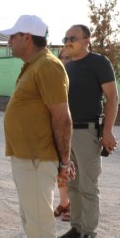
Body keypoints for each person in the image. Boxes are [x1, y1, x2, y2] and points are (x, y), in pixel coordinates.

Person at [0, 15, 75, 238]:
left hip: (37, 160)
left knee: (41, 226)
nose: (9, 41)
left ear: (27, 38)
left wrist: (65, 162)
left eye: (13, 36)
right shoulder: (34, 65)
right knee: (31, 222)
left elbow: (62, 118)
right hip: (26, 159)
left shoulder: (48, 66)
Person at [57, 24, 119, 238]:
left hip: (87, 131)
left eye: (72, 38)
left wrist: (107, 131)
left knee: (88, 186)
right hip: (66, 133)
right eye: (65, 38)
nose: (67, 42)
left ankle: (89, 234)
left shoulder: (99, 63)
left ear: (86, 41)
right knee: (71, 183)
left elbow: (112, 97)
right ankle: (76, 228)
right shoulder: (66, 66)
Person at [54, 50, 72, 221]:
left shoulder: (77, 77)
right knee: (60, 168)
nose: (65, 61)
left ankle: (73, 204)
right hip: (59, 129)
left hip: (74, 129)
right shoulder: (57, 77)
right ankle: (64, 202)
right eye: (62, 57)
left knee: (72, 168)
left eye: (68, 58)